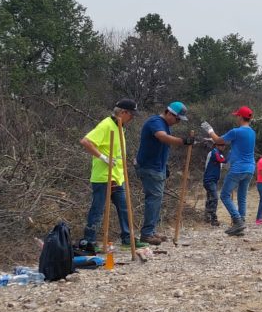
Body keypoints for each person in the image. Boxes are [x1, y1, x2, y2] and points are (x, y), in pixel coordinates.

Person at [79, 99, 139, 251]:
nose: (132, 118)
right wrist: (103, 157)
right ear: (123, 112)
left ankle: (127, 238)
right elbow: (86, 141)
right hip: (103, 176)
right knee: (98, 209)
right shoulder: (106, 125)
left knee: (124, 207)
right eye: (131, 115)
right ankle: (89, 241)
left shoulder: (120, 127)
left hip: (117, 176)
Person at [135, 101, 194, 245]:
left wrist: (165, 165)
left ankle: (151, 231)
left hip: (157, 167)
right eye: (177, 118)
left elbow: (162, 147)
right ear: (168, 113)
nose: (178, 122)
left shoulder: (165, 125)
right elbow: (162, 137)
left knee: (156, 200)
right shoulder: (156, 122)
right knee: (154, 199)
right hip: (149, 167)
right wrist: (183, 141)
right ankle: (147, 233)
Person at [200, 106, 256, 236]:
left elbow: (218, 140)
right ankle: (241, 223)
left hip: (238, 168)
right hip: (250, 168)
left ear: (241, 117)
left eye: (237, 116)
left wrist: (210, 131)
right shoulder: (252, 132)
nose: (236, 117)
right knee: (242, 196)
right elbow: (238, 144)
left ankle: (237, 221)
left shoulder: (236, 131)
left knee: (224, 195)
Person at [202, 142, 226, 226]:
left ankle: (207, 216)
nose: (223, 146)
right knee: (215, 198)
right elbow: (221, 160)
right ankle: (213, 219)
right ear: (216, 145)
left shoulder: (219, 154)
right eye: (221, 145)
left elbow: (222, 161)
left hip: (213, 180)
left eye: (224, 145)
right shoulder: (213, 152)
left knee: (210, 198)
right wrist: (231, 155)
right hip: (209, 180)